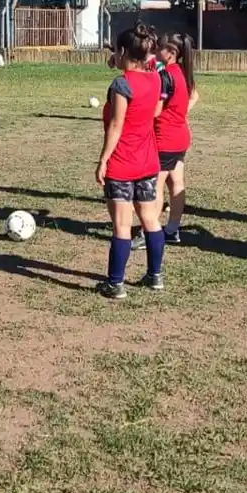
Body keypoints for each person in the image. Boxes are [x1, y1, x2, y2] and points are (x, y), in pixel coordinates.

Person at [95, 24, 167, 299]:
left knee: (122, 226)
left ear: (123, 51)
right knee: (150, 219)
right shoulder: (155, 79)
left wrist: (103, 160)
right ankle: (155, 276)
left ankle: (116, 284)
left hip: (122, 163)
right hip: (148, 162)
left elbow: (116, 125)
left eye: (116, 49)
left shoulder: (121, 85)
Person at [155, 33, 198, 245]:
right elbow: (194, 95)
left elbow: (155, 111)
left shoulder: (165, 76)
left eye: (159, 47)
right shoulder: (182, 72)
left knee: (155, 186)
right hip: (180, 136)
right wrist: (180, 114)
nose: (156, 50)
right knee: (176, 183)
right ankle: (172, 230)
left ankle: (149, 232)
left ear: (171, 53)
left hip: (165, 139)